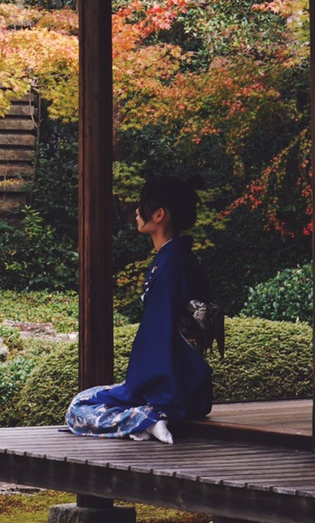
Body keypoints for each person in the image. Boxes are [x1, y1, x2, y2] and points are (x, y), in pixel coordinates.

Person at [64, 175, 215, 444]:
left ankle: (148, 419)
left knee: (79, 406)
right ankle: (147, 419)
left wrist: (158, 398)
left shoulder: (169, 267)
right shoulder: (180, 260)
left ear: (159, 215)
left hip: (170, 390)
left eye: (143, 205)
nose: (136, 211)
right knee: (90, 399)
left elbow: (158, 334)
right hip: (190, 385)